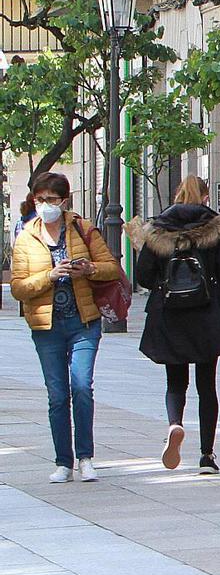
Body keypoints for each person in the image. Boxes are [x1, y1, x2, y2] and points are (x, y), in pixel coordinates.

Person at [11, 172, 120, 483]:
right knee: (58, 395)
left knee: (82, 387)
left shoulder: (81, 228)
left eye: (53, 200)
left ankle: (85, 457)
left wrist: (89, 269)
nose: (46, 205)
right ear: (34, 200)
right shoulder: (25, 237)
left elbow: (111, 267)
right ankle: (63, 461)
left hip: (83, 321)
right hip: (47, 326)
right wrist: (49, 275)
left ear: (64, 201)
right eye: (41, 199)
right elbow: (18, 288)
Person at [137, 176, 220, 474]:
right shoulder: (216, 229)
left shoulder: (158, 228)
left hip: (171, 314)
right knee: (206, 386)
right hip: (206, 314)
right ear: (205, 197)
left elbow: (144, 276)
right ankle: (207, 455)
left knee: (175, 381)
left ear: (177, 194)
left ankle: (175, 424)